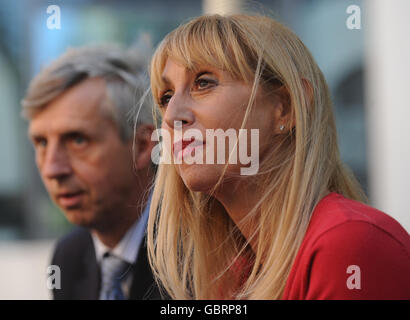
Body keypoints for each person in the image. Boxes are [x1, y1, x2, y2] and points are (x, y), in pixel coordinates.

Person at [146, 14, 410, 300]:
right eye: (166, 97)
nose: (172, 115)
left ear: (285, 108)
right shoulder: (233, 275)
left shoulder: (349, 245)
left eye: (204, 82)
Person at [22, 45, 161, 300]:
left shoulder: (204, 253)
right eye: (41, 143)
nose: (52, 168)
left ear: (141, 147)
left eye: (77, 140)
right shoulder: (69, 257)